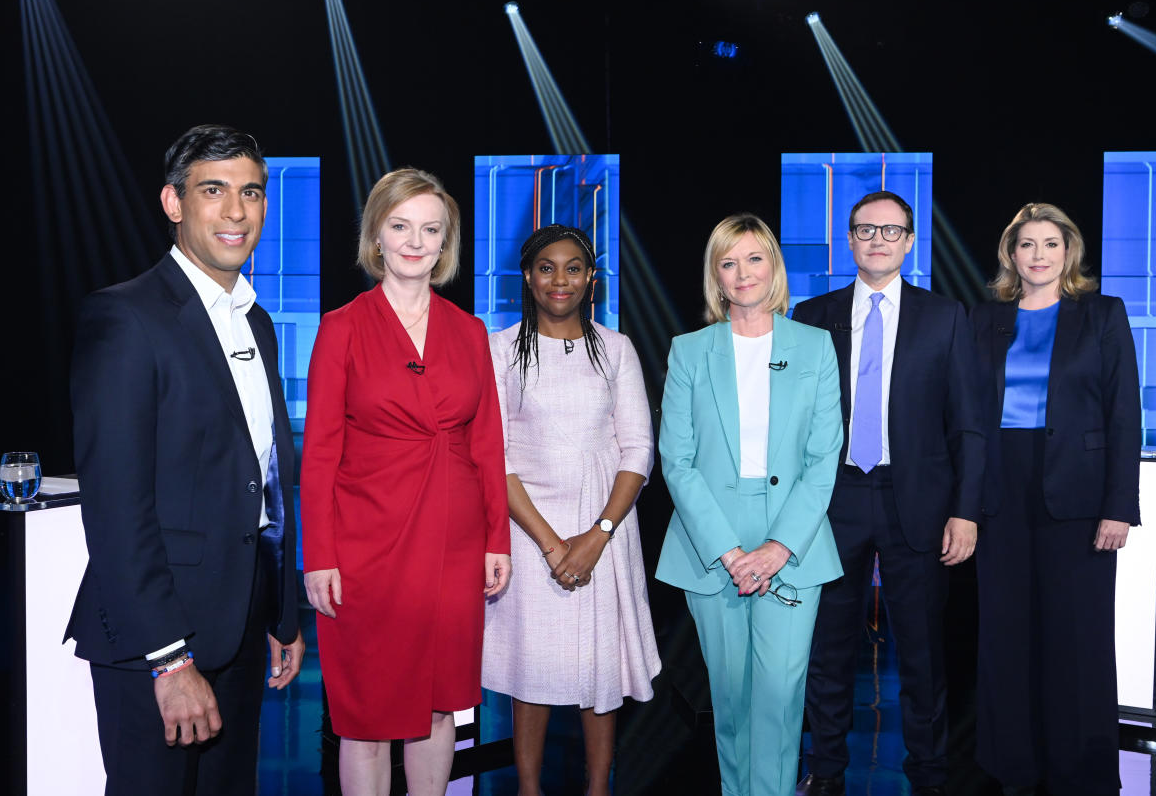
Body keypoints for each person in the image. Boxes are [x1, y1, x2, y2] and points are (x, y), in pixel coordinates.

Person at [67, 124, 305, 796]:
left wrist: (281, 615)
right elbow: (117, 506)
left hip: (240, 623)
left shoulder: (255, 321)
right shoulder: (125, 317)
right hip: (159, 639)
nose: (236, 211)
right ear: (173, 203)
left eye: (251, 193)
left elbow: (266, 479)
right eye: (213, 190)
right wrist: (169, 661)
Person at [301, 168, 511, 796]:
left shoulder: (470, 332)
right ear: (377, 235)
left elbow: (488, 447)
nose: (415, 242)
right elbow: (318, 456)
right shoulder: (341, 327)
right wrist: (320, 557)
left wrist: (496, 540)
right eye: (400, 226)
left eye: (430, 229)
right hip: (366, 547)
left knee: (440, 706)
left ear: (445, 243)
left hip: (452, 542)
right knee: (365, 717)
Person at [791, 190, 985, 796]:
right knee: (826, 650)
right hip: (834, 500)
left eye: (890, 230)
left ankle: (927, 774)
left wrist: (966, 512)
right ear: (849, 239)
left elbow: (969, 424)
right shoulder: (811, 314)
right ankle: (825, 771)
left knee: (924, 652)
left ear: (908, 242)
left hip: (919, 501)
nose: (877, 239)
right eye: (865, 229)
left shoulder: (946, 315)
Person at [656, 213, 843, 796]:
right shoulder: (689, 352)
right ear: (716, 275)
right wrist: (730, 551)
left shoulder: (815, 346)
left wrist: (778, 547)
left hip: (795, 540)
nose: (743, 273)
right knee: (732, 700)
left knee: (779, 700)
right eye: (728, 262)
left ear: (774, 268)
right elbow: (676, 461)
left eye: (754, 258)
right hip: (711, 543)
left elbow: (823, 457)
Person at [482, 224, 661, 796]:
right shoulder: (499, 350)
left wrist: (597, 534)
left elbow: (638, 447)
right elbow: (494, 455)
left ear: (591, 280)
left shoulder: (618, 349)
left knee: (598, 664)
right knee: (531, 668)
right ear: (528, 278)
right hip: (528, 526)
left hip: (605, 528)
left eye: (573, 268)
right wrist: (553, 543)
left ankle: (598, 788)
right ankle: (528, 789)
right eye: (546, 268)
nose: (560, 280)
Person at [970, 203, 1139, 796]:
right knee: (1006, 634)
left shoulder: (1102, 314)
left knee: (1077, 638)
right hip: (1000, 491)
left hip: (1082, 494)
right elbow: (969, 416)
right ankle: (1011, 765)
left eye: (1050, 244)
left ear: (1069, 252)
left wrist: (1120, 504)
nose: (1038, 255)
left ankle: (1081, 769)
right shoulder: (984, 319)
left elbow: (1124, 414)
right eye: (1026, 245)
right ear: (1010, 255)